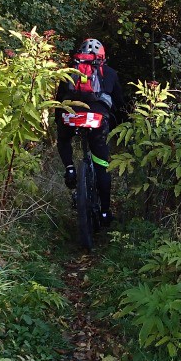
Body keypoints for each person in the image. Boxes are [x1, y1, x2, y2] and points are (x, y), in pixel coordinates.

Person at [55, 38, 126, 227]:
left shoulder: (69, 73)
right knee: (102, 165)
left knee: (63, 140)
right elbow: (119, 102)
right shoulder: (109, 73)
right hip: (97, 120)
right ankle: (104, 213)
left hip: (70, 117)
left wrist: (59, 123)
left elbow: (58, 100)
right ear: (103, 56)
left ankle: (70, 168)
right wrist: (119, 121)